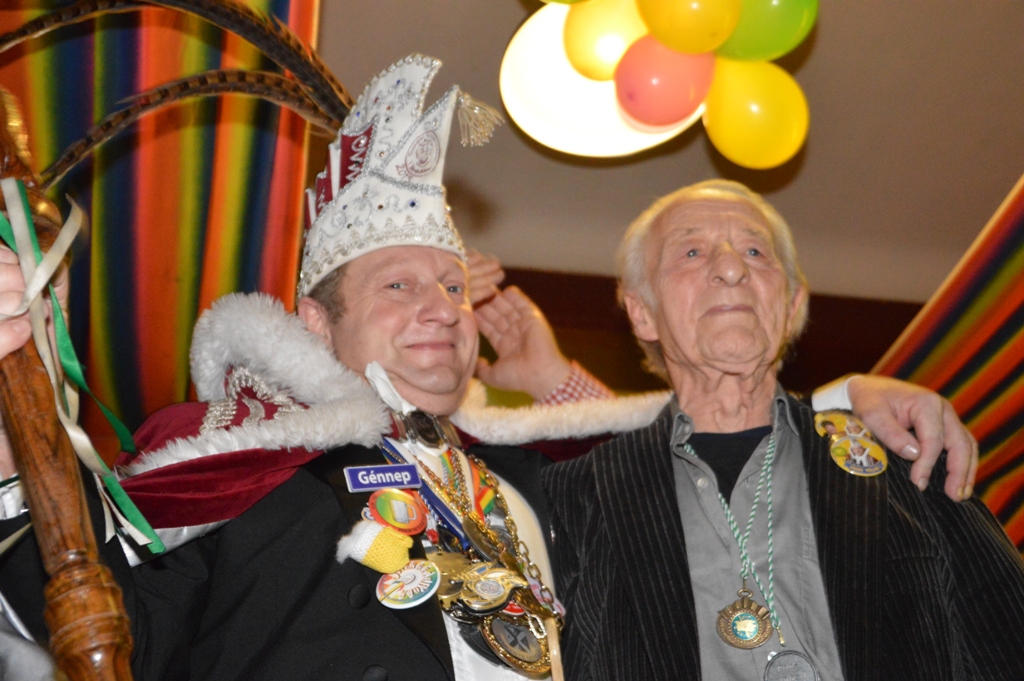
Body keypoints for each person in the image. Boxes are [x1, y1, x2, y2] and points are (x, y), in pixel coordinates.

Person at [0, 57, 981, 680]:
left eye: (449, 286)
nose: (440, 306)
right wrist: (12, 436)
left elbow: (701, 458)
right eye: (397, 288)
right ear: (315, 324)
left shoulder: (532, 478)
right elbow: (76, 619)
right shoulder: (231, 459)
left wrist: (851, 399)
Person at [543, 179, 1024, 681]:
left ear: (792, 304)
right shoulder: (574, 499)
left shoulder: (907, 459)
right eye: (691, 252)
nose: (732, 268)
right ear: (643, 313)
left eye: (755, 251)